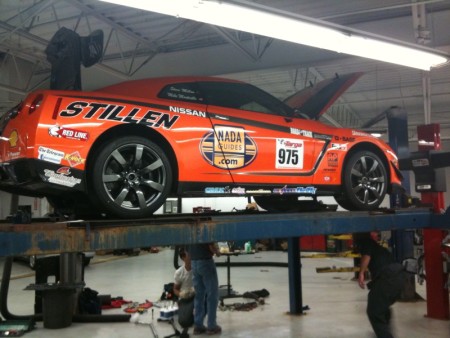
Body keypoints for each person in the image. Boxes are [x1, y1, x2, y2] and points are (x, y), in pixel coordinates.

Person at [354, 232, 407, 338]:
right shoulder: (378, 247)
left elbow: (366, 255)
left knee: (374, 312)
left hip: (388, 278)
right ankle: (384, 332)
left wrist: (361, 273)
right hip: (399, 277)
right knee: (382, 307)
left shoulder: (366, 243)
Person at [188, 243, 221, 335]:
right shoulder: (204, 228)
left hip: (194, 263)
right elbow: (211, 244)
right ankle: (212, 326)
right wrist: (217, 252)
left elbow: (186, 249)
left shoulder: (189, 229)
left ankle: (198, 326)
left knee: (199, 295)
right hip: (206, 262)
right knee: (212, 295)